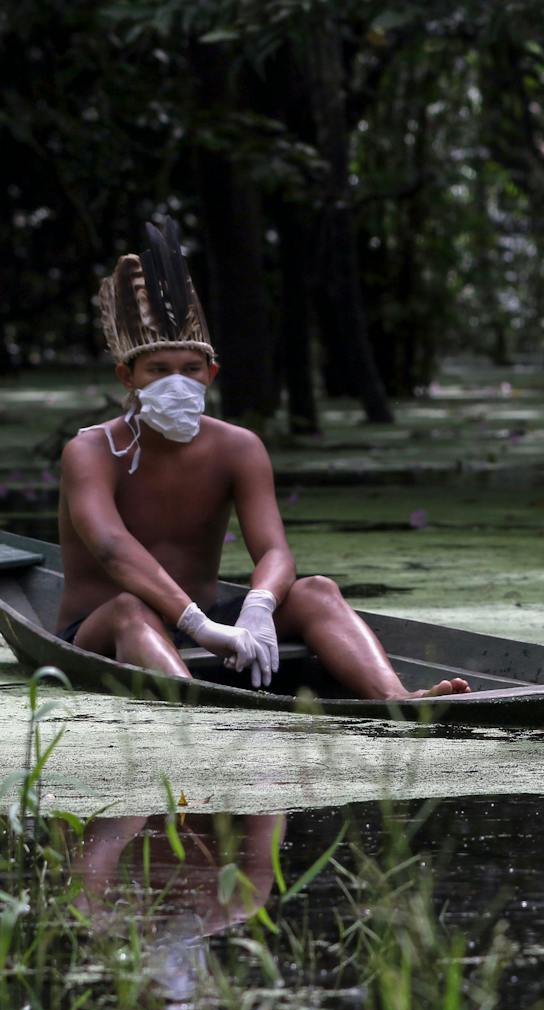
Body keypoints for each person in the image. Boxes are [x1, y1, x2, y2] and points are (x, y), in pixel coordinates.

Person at [56, 218, 468, 700]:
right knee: (131, 607)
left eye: (190, 369)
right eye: (159, 370)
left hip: (208, 625)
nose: (178, 382)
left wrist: (259, 604)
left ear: (210, 373)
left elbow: (274, 551)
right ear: (128, 377)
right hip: (107, 628)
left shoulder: (238, 446)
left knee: (316, 590)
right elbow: (111, 548)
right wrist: (197, 624)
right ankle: (200, 712)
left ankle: (396, 701)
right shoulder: (90, 450)